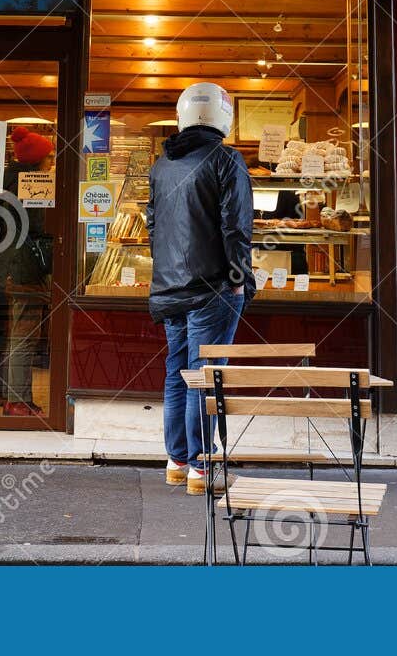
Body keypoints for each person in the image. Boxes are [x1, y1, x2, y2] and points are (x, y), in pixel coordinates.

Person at [146, 82, 253, 495]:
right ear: (223, 117)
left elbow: (154, 227)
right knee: (203, 376)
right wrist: (241, 278)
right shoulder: (227, 160)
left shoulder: (162, 164)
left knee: (177, 373)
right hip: (214, 289)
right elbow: (236, 229)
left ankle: (176, 460)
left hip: (169, 288)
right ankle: (200, 467)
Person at [0, 125, 55, 417]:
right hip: (26, 271)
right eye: (48, 158)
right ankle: (17, 401)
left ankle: (17, 398)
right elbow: (37, 229)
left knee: (20, 336)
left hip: (16, 268)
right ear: (36, 162)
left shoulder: (12, 185)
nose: (51, 163)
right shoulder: (29, 187)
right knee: (24, 337)